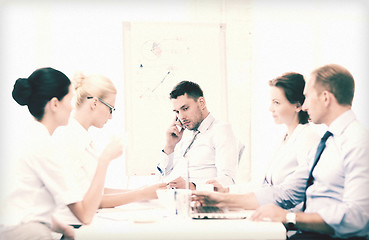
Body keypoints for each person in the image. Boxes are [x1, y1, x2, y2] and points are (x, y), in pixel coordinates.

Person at [193, 64, 369, 239]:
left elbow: (358, 217)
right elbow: (287, 192)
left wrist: (289, 217)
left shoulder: (357, 141)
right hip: (308, 232)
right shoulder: (328, 142)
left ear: (325, 98)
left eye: (307, 97)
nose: (305, 105)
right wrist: (222, 199)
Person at [53, 72, 167, 227]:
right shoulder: (68, 139)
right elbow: (90, 201)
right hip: (70, 229)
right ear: (94, 103)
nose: (111, 116)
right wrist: (140, 194)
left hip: (82, 225)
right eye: (110, 109)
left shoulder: (82, 136)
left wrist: (139, 191)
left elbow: (94, 191)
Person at [208, 73, 320, 196]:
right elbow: (263, 184)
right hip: (271, 207)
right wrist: (226, 190)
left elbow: (303, 190)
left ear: (298, 105)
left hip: (288, 212)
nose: (270, 108)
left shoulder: (308, 139)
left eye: (276, 102)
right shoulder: (284, 139)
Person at [0, 67, 76, 239]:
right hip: (27, 233)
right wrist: (106, 159)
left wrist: (61, 227)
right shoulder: (44, 144)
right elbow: (83, 213)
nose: (72, 108)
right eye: (70, 100)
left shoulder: (30, 136)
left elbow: (26, 204)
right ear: (55, 104)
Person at [156, 81, 240, 190]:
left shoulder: (221, 130)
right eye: (177, 112)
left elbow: (229, 180)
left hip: (200, 201)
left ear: (201, 103)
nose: (181, 117)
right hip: (173, 198)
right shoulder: (182, 135)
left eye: (185, 109)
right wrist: (169, 147)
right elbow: (162, 177)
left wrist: (193, 187)